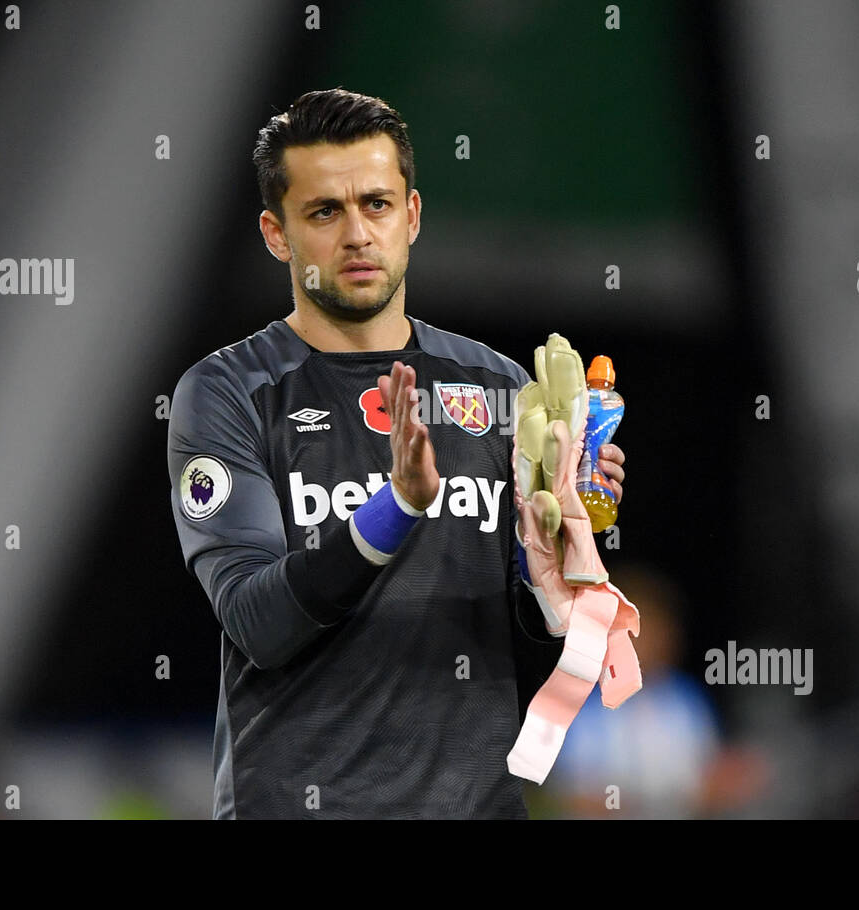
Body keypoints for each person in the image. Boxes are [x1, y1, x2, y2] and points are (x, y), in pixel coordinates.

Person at [166, 88, 627, 818]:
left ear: (411, 215)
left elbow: (526, 645)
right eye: (324, 211)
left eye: (377, 204)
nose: (357, 234)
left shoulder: (499, 387)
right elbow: (258, 623)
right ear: (275, 233)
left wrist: (559, 565)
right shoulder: (229, 392)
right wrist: (397, 506)